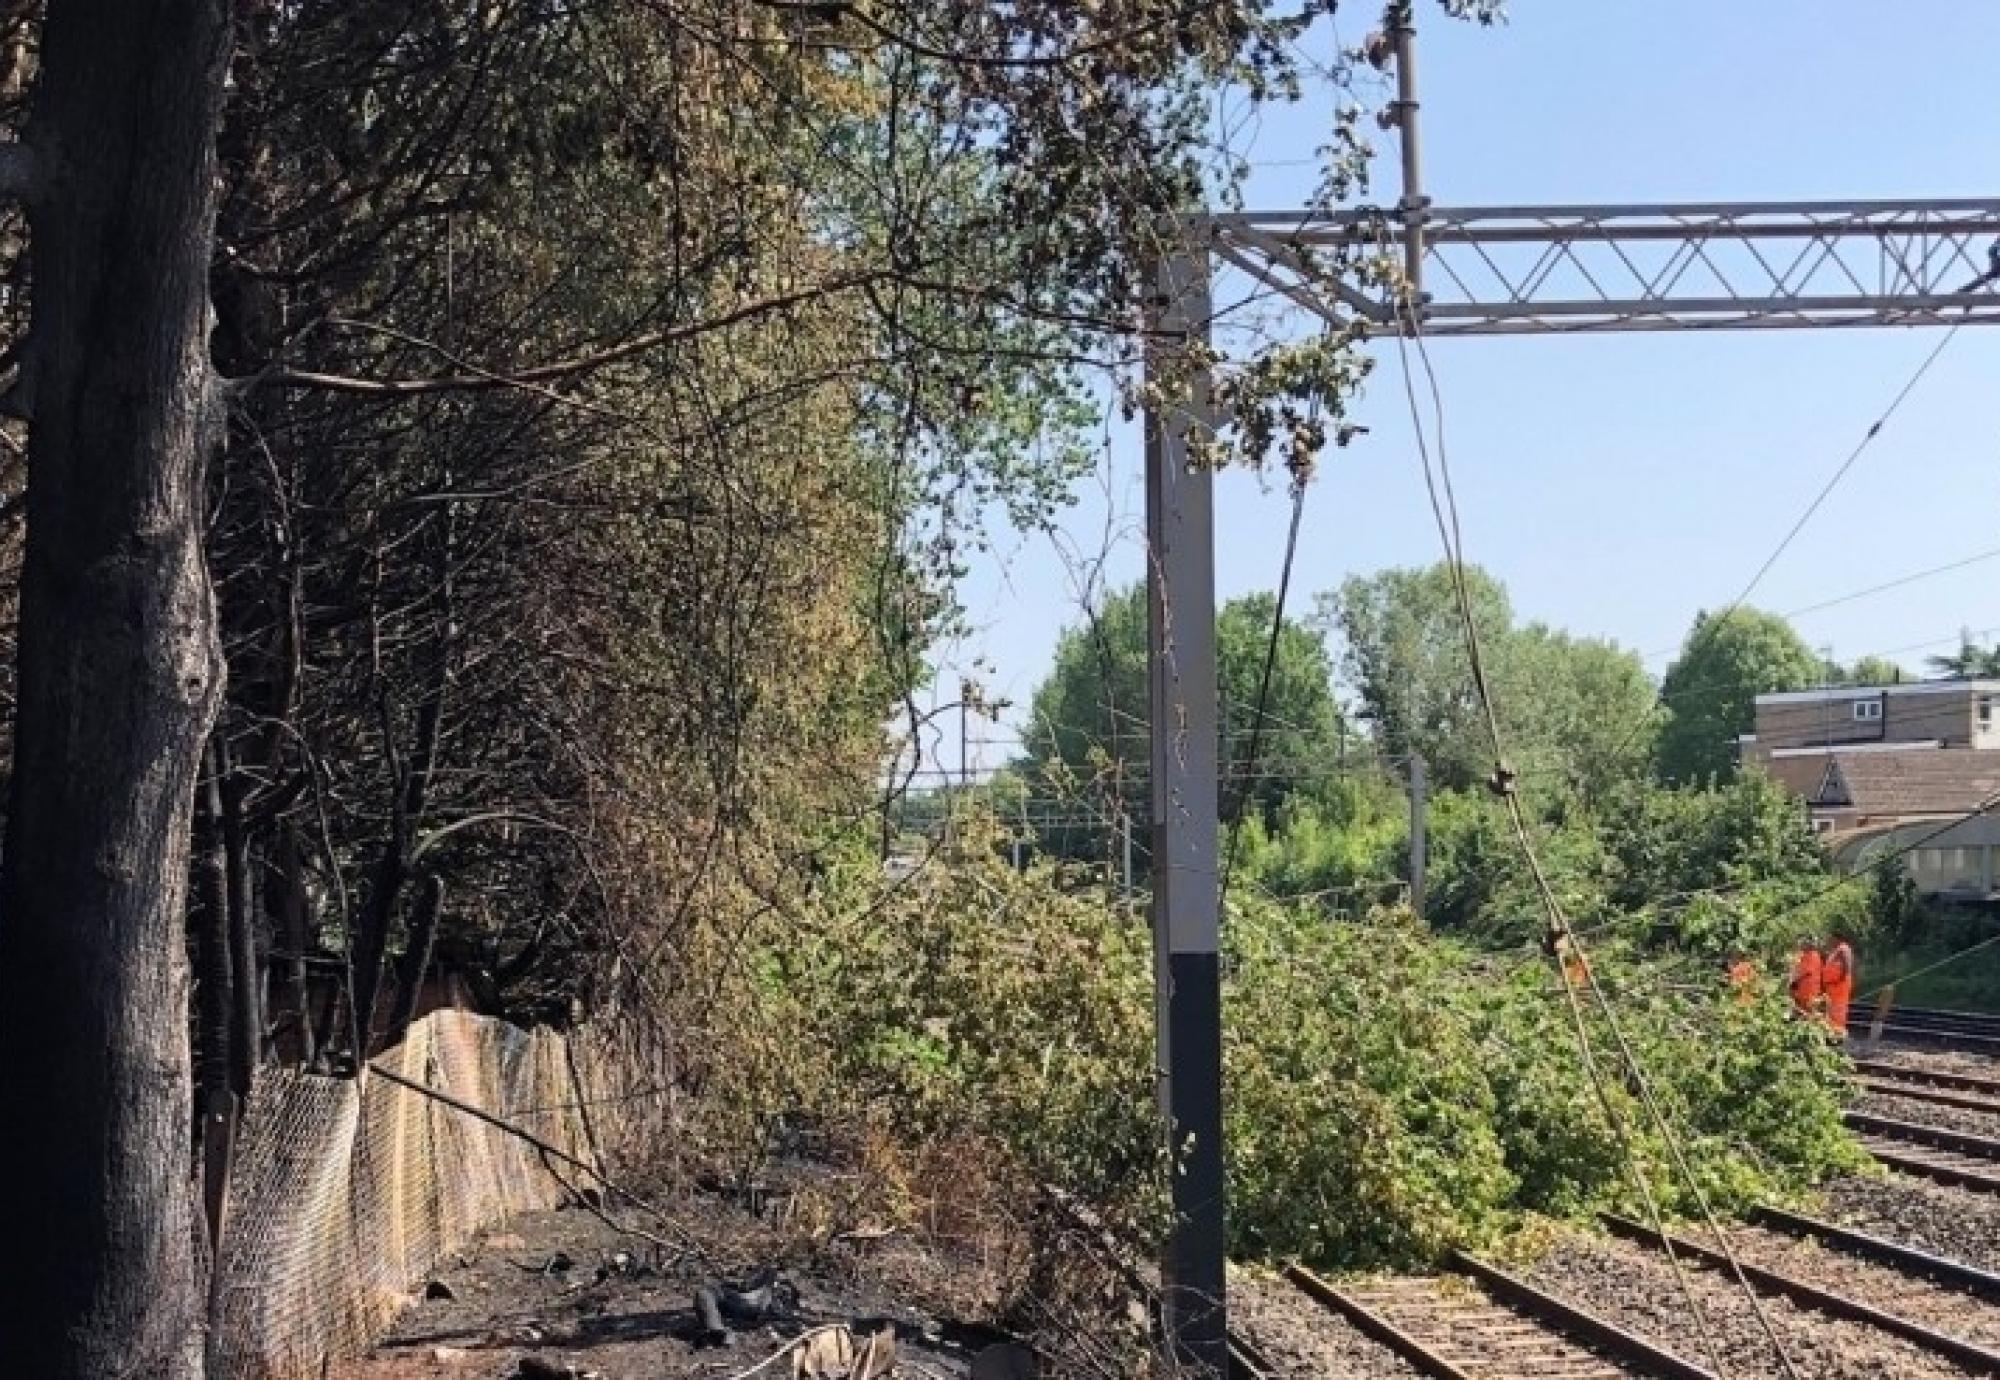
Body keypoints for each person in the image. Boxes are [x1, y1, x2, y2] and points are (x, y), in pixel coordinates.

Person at [1822, 933, 1856, 1038]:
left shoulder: (1843, 948)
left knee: (1838, 1010)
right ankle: (1832, 1033)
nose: (1829, 941)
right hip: (1833, 986)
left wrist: (1840, 979)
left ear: (1836, 938)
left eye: (1830, 939)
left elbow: (1847, 966)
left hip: (1839, 986)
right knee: (1831, 1010)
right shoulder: (1836, 950)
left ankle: (1838, 1034)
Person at [1789, 938, 1823, 1019]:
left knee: (1808, 1010)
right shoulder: (1806, 955)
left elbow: (1807, 972)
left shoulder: (1812, 955)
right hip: (1804, 989)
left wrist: (1795, 981)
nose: (1801, 946)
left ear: (1808, 945)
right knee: (1801, 1010)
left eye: (1803, 944)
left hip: (1809, 989)